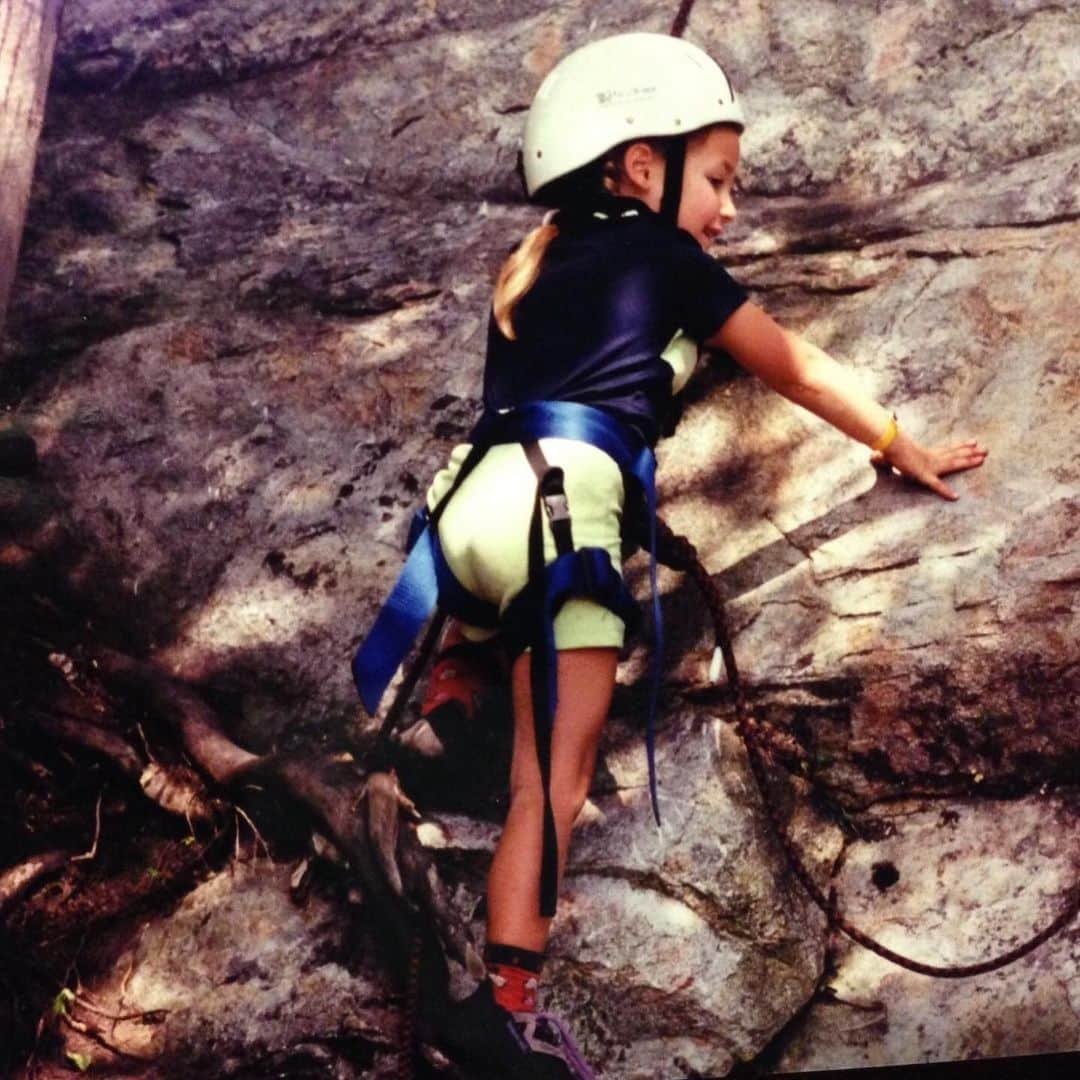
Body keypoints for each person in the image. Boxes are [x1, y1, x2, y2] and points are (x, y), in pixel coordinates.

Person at [356, 31, 988, 1079]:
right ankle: (506, 1007)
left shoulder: (538, 255)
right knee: (547, 788)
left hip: (468, 516)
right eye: (719, 179)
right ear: (642, 166)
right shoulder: (670, 259)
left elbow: (561, 385)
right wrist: (897, 441)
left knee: (513, 657)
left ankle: (460, 675)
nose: (728, 210)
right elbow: (798, 368)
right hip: (565, 520)